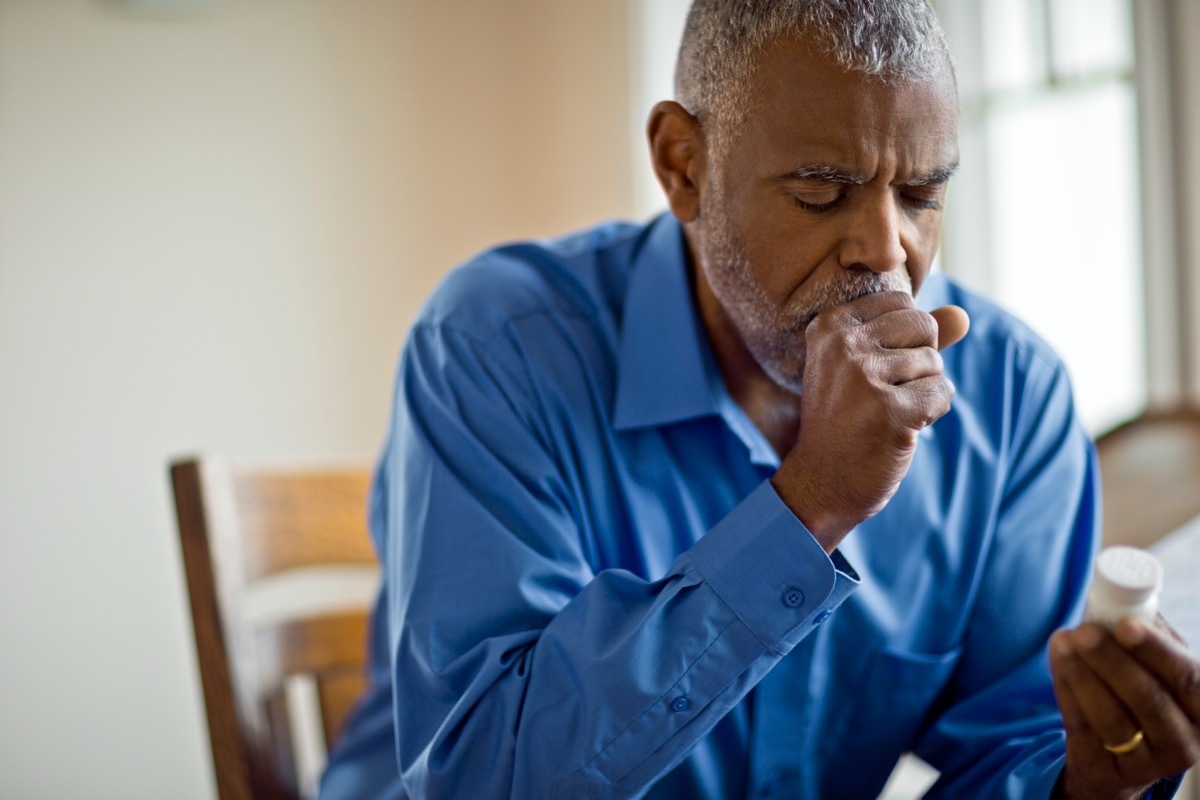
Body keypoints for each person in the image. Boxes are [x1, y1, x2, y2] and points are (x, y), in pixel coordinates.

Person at [320, 1, 1200, 797]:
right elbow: (482, 779)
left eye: (924, 195)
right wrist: (811, 504)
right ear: (683, 167)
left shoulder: (1013, 401)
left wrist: (1089, 783)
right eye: (822, 193)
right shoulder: (496, 347)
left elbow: (1013, 751)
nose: (885, 253)